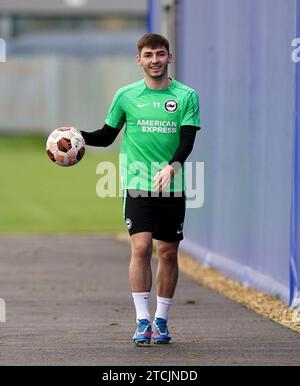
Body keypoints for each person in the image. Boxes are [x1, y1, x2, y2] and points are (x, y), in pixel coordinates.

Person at [81, 33, 201, 345]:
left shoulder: (187, 96)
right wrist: (75, 135)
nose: (154, 60)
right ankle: (142, 320)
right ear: (139, 60)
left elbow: (187, 140)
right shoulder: (125, 96)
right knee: (141, 247)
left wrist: (172, 166)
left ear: (169, 58)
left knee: (168, 251)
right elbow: (106, 136)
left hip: (171, 185)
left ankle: (161, 319)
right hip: (136, 183)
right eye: (148, 55)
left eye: (160, 54)